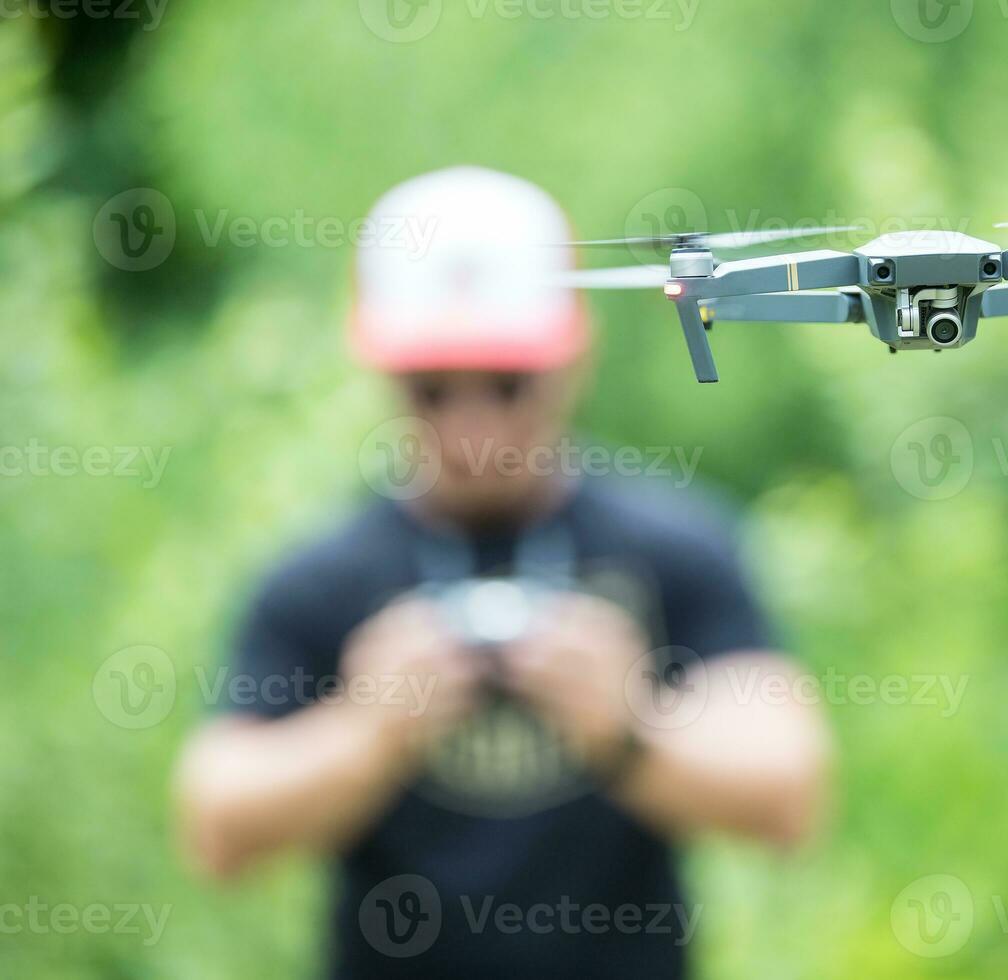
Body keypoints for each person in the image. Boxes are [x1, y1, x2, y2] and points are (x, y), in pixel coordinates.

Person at [173, 167, 831, 979]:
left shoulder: (675, 547)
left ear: (570, 360)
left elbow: (791, 793)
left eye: (507, 382)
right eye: (432, 390)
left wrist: (626, 732)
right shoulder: (320, 580)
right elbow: (216, 825)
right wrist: (369, 730)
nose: (471, 422)